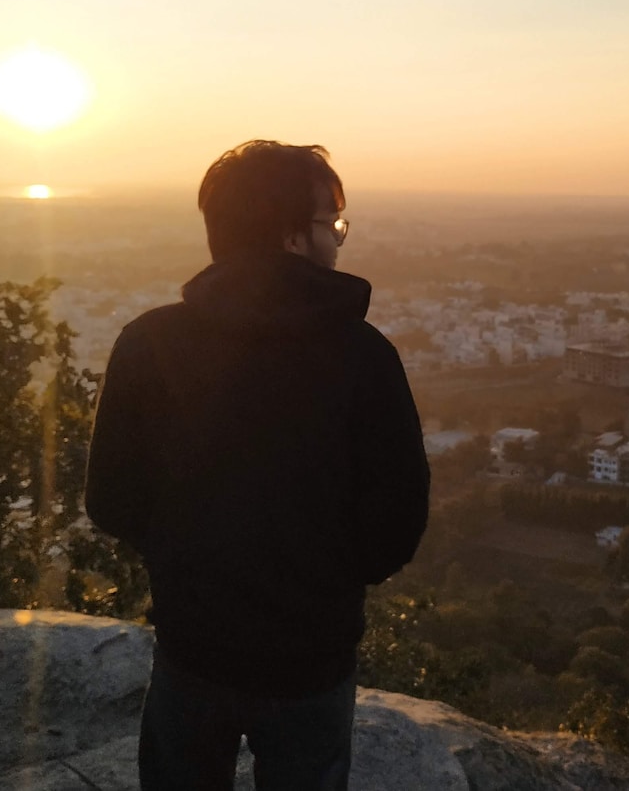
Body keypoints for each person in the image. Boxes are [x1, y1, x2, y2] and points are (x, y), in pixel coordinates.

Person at [84, 140, 430, 790]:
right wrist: (324, 583)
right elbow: (398, 519)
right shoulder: (365, 357)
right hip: (312, 660)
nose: (337, 241)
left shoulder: (147, 344)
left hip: (191, 647)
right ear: (292, 237)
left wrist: (183, 559)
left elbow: (110, 499)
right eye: (332, 225)